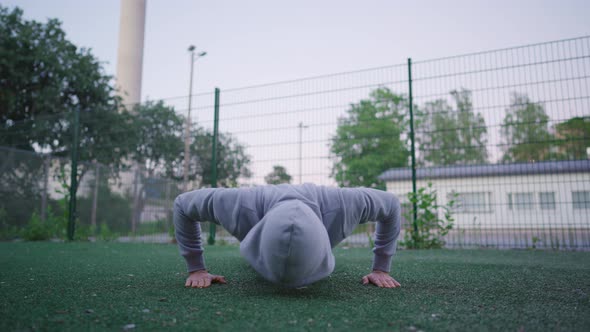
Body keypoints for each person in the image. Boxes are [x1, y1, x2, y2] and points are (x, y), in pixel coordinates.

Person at [173, 183, 402, 289]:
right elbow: (182, 205)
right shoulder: (239, 207)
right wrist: (196, 268)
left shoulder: (343, 207)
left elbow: (391, 204)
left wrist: (381, 268)